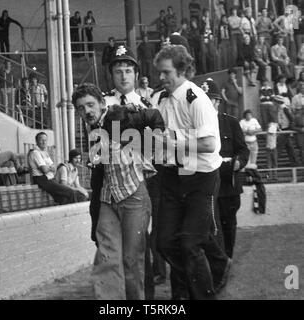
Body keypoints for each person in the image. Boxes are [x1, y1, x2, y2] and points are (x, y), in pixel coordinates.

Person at [72, 82, 165, 300]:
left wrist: (155, 148)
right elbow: (98, 174)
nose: (86, 111)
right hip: (108, 198)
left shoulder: (118, 116)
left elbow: (153, 116)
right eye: (81, 107)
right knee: (106, 257)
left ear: (102, 104)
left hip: (134, 195)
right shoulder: (91, 128)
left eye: (90, 105)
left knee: (131, 260)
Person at [154, 45, 231, 300]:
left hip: (201, 177)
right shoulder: (160, 99)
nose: (161, 78)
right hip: (174, 175)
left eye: (166, 73)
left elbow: (210, 144)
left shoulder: (196, 99)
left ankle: (202, 293)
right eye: (160, 73)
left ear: (182, 70)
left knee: (190, 243)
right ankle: (214, 267)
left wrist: (172, 143)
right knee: (165, 242)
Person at [200, 78, 249, 259]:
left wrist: (239, 162)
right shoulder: (195, 127)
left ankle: (227, 258)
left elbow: (243, 150)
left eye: (209, 100)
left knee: (229, 225)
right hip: (206, 183)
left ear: (218, 102)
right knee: (212, 226)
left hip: (228, 183)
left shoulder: (231, 122)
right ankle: (218, 262)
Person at [28, 132, 84, 205]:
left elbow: (54, 168)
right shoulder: (35, 153)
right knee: (69, 192)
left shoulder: (44, 153)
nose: (44, 142)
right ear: (36, 141)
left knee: (63, 198)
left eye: (45, 140)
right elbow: (44, 170)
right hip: (42, 179)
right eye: (41, 140)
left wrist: (50, 168)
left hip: (50, 178)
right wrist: (50, 168)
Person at [274, 95, 298, 167]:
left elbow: (292, 119)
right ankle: (294, 163)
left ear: (277, 102)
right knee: (289, 147)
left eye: (275, 102)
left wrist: (290, 128)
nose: (274, 103)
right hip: (283, 129)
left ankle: (273, 163)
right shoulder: (280, 108)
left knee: (279, 146)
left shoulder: (284, 108)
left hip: (286, 129)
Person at [291, 82, 304, 165]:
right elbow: (292, 126)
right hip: (300, 135)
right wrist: (300, 129)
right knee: (301, 149)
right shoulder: (297, 116)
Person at [200, 8, 215, 74]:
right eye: (206, 13)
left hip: (210, 37)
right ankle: (204, 70)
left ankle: (211, 69)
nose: (207, 14)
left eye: (208, 13)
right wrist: (205, 23)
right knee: (204, 53)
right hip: (203, 37)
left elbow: (212, 28)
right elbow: (200, 30)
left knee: (211, 53)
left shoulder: (211, 20)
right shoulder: (201, 21)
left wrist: (213, 35)